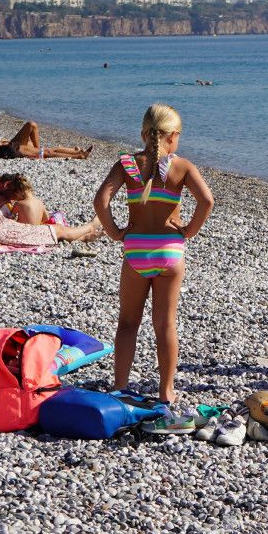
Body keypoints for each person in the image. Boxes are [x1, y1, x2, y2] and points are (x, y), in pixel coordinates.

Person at [92, 103, 214, 403]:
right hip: (169, 250)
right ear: (172, 136)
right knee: (165, 323)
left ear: (143, 133)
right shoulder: (182, 167)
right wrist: (187, 231)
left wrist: (115, 232)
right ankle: (166, 390)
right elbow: (207, 201)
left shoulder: (127, 164)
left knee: (128, 322)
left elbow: (101, 200)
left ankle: (120, 386)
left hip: (136, 249)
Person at [0, 169, 102, 249]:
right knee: (58, 229)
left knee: (56, 232)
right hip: (15, 234)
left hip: (12, 230)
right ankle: (90, 225)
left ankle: (84, 237)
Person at [0, 120, 91, 160]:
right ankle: (79, 155)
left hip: (11, 144)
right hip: (11, 149)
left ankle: (76, 151)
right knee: (48, 152)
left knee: (32, 125)